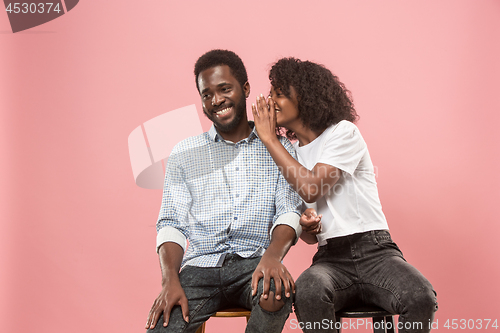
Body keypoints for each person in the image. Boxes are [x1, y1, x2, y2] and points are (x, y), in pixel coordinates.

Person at [251, 57, 438, 333]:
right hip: (330, 258)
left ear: (305, 97)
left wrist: (268, 139)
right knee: (309, 291)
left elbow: (311, 187)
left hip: (375, 251)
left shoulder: (343, 133)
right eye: (271, 93)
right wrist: (306, 225)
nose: (271, 101)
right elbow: (310, 235)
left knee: (419, 296)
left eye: (280, 93)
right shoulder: (287, 155)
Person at [145, 50, 303, 333]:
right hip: (199, 270)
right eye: (207, 94)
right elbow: (171, 222)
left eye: (224, 89)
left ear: (245, 89)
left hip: (253, 264)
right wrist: (169, 281)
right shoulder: (184, 153)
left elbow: (289, 211)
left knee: (276, 292)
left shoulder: (278, 149)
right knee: (165, 322)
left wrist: (272, 258)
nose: (216, 100)